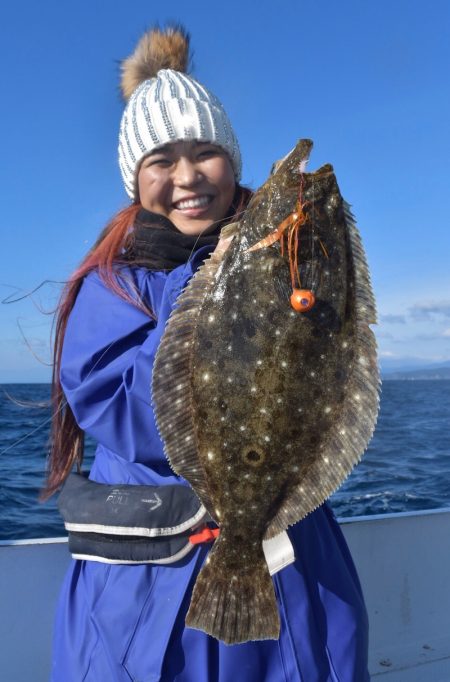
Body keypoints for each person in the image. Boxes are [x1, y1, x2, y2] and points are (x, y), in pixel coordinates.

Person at [47, 25, 370, 682]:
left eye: (206, 153)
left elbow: (333, 363)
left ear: (233, 160)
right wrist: (206, 288)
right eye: (161, 160)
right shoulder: (112, 283)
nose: (188, 176)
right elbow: (129, 412)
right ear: (135, 178)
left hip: (294, 579)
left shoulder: (285, 255)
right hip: (149, 606)